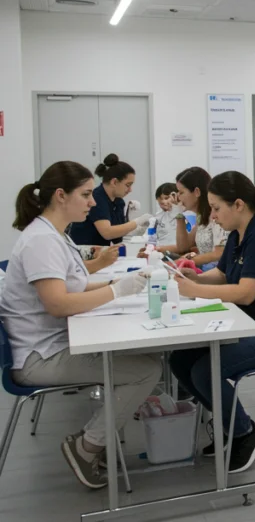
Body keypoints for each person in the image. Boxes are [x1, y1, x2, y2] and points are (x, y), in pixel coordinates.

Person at [0, 161, 160, 489]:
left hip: (50, 343)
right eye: (86, 194)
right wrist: (115, 291)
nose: (92, 201)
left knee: (140, 360)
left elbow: (71, 285)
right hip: (39, 358)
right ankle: (87, 447)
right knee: (147, 370)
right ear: (61, 195)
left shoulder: (54, 235)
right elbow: (58, 304)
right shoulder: (41, 241)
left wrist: (114, 283)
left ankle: (97, 439)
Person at [169, 171, 255, 474]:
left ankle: (245, 431)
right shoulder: (238, 234)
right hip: (252, 326)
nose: (213, 216)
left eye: (217, 208)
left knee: (206, 370)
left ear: (239, 205)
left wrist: (194, 291)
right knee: (181, 361)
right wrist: (196, 277)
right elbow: (223, 274)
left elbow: (245, 293)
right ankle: (228, 423)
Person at [69, 154, 151, 246]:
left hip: (101, 249)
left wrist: (136, 230)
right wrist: (136, 222)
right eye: (128, 185)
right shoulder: (97, 198)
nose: (130, 190)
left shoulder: (118, 201)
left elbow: (117, 237)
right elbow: (107, 233)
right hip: (84, 249)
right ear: (114, 182)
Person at [155, 167, 227, 271]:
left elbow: (219, 254)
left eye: (181, 192)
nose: (178, 197)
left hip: (215, 273)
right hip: (205, 270)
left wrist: (182, 262)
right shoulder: (202, 217)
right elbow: (183, 247)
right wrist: (179, 215)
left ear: (197, 192)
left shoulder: (216, 216)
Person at [151, 182, 185, 248]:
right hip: (161, 250)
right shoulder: (159, 216)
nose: (163, 202)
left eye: (166, 198)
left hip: (177, 250)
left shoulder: (184, 212)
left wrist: (176, 207)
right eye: (160, 199)